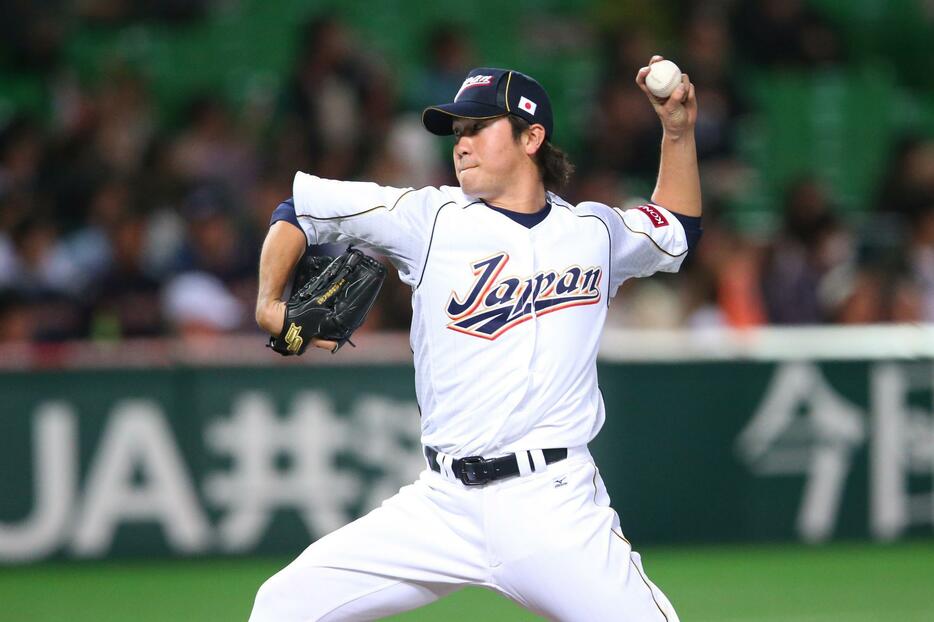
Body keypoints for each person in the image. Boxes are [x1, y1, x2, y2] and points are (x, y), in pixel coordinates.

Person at [251, 56, 701, 621]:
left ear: (532, 136)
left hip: (552, 504)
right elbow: (299, 207)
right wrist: (271, 303)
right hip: (442, 504)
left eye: (477, 128)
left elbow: (677, 228)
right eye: (457, 132)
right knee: (283, 605)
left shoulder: (595, 232)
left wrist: (677, 132)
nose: (460, 144)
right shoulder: (429, 217)